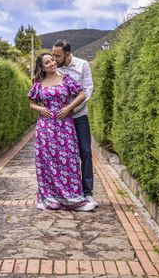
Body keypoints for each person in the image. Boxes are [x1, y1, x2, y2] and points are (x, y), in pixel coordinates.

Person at [28, 52, 96, 211]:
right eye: (47, 62)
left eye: (52, 60)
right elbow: (31, 102)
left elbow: (82, 93)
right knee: (48, 161)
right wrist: (40, 108)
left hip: (65, 125)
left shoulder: (66, 79)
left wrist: (68, 108)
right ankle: (50, 198)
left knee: (69, 159)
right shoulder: (39, 84)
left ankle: (74, 198)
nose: (52, 63)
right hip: (45, 128)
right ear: (42, 67)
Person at [52, 40, 97, 207]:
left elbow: (88, 91)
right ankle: (67, 192)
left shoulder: (82, 65)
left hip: (79, 117)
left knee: (85, 151)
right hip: (61, 120)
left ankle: (88, 192)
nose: (54, 59)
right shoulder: (55, 68)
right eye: (53, 55)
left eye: (58, 56)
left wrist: (72, 110)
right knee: (63, 155)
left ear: (68, 54)